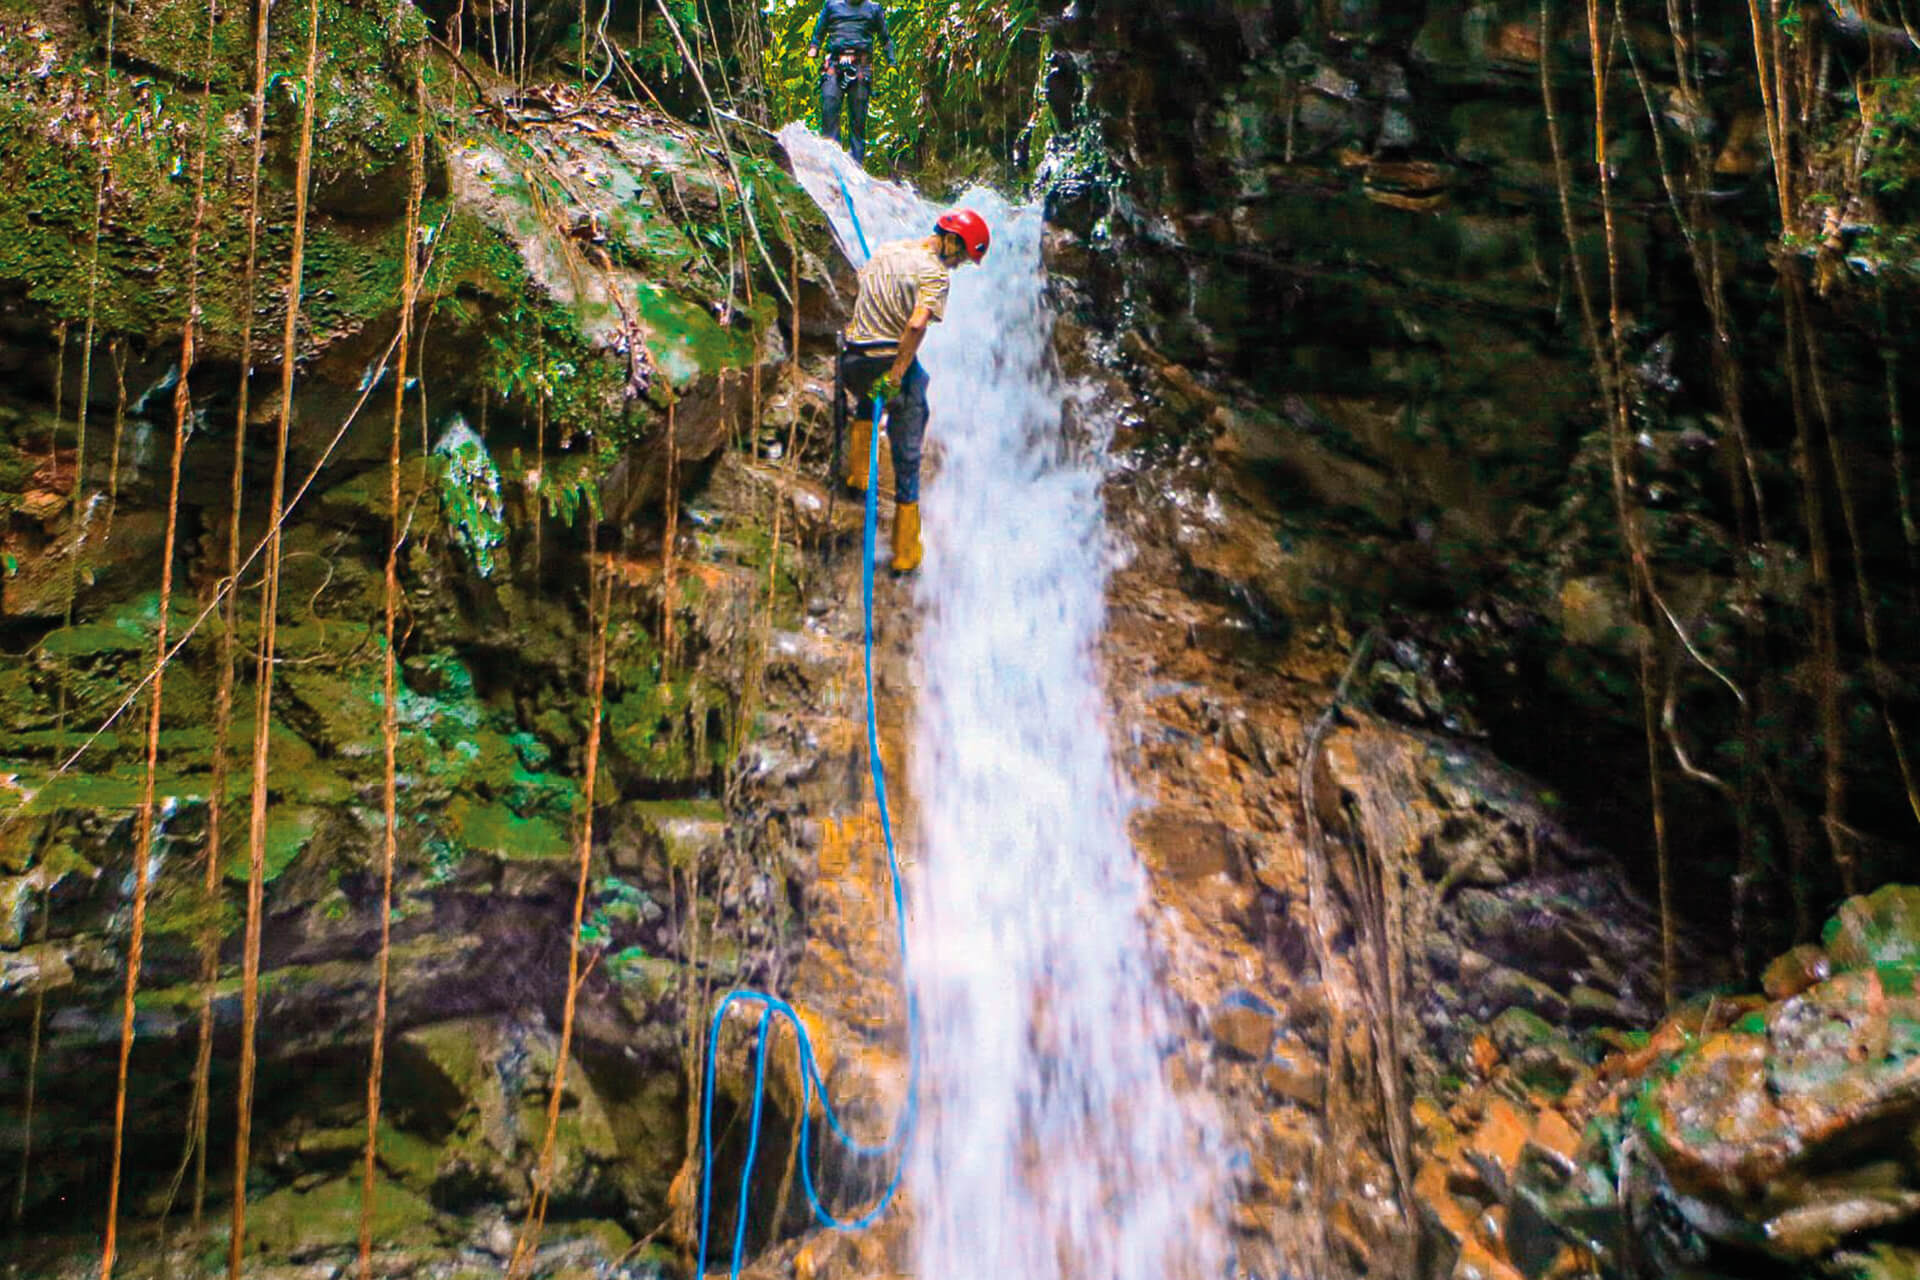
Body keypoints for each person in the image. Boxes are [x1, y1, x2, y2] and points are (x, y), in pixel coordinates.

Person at [837, 209, 990, 572]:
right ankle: (906, 553)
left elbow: (860, 285)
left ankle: (858, 477)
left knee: (876, 393)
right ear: (951, 241)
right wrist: (897, 371)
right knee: (910, 434)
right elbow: (917, 323)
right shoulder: (935, 274)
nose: (958, 266)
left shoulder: (888, 250)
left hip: (852, 364)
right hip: (883, 366)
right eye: (962, 257)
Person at [807, 0, 896, 165]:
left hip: (861, 66)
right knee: (829, 108)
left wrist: (892, 64)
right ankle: (832, 165)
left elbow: (886, 38)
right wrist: (812, 52)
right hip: (834, 64)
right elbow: (818, 33)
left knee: (858, 120)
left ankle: (856, 168)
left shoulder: (873, 9)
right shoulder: (832, 5)